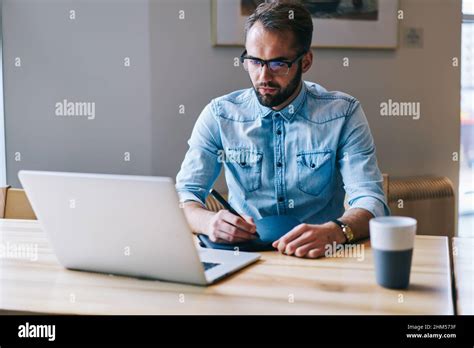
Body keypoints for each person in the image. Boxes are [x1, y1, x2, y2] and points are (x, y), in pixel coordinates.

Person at [175, 0, 389, 259]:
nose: (263, 76)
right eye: (254, 61)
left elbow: (371, 201)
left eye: (278, 64)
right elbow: (184, 197)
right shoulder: (219, 115)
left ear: (306, 61)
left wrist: (337, 231)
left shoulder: (343, 114)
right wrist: (209, 222)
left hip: (320, 259)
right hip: (244, 259)